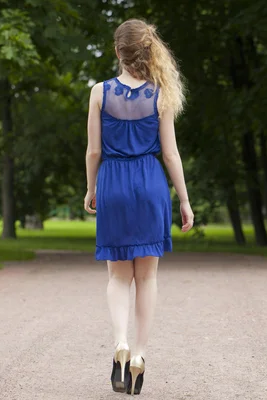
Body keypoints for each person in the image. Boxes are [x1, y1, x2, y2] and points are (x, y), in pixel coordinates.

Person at [84, 18, 194, 396]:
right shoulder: (159, 93)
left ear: (117, 51)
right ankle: (140, 356)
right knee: (147, 278)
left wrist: (90, 189)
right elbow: (170, 153)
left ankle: (120, 342)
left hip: (112, 184)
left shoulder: (99, 92)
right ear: (148, 52)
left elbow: (94, 150)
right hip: (149, 185)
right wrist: (184, 199)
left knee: (118, 277)